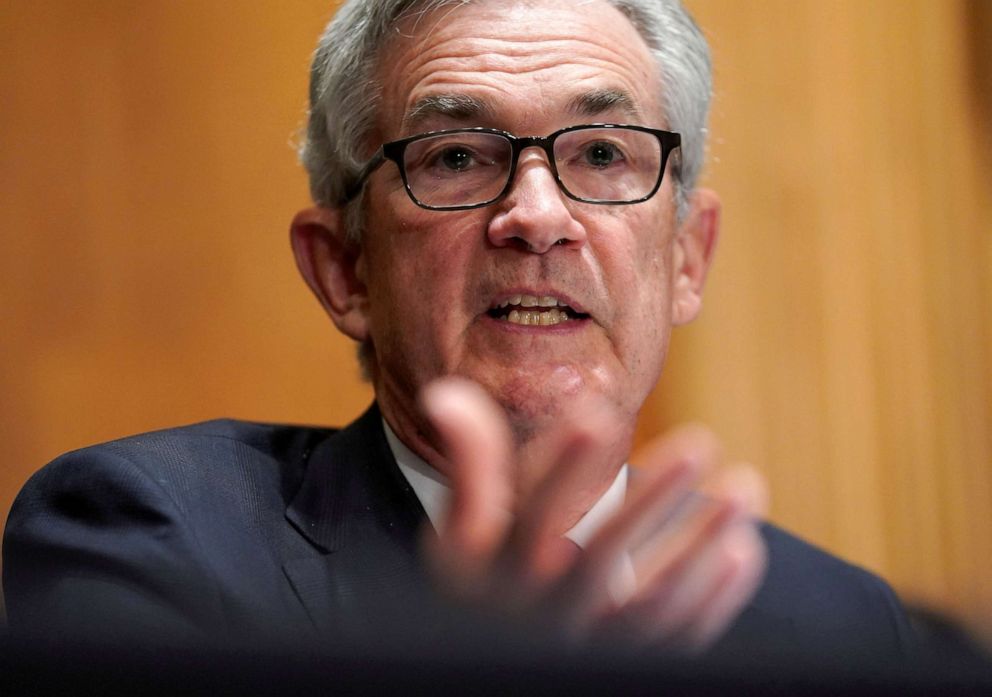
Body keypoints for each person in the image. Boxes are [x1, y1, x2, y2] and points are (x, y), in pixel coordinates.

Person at [3, 0, 915, 665]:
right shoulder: (145, 542)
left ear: (687, 257)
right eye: (455, 157)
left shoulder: (844, 627)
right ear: (344, 269)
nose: (536, 215)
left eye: (601, 152)